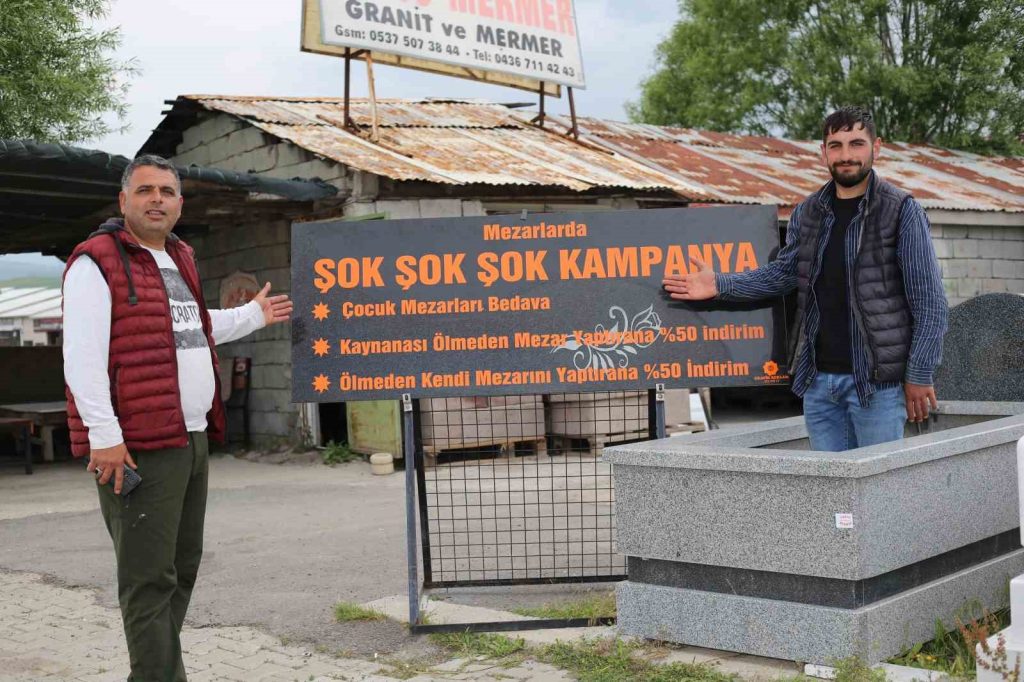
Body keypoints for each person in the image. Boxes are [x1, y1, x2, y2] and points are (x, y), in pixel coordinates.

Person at [62, 154, 293, 681]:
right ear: (124, 200)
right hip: (138, 446)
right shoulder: (96, 262)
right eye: (145, 190)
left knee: (181, 568)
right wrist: (104, 436)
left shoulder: (177, 257)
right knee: (148, 579)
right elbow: (81, 357)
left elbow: (191, 328)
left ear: (180, 204)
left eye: (166, 191)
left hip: (190, 437)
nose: (157, 200)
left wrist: (251, 316)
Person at [663, 106, 948, 451]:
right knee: (829, 485)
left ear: (877, 147)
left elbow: (930, 303)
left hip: (878, 387)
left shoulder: (901, 210)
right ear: (823, 152)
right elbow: (784, 273)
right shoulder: (809, 211)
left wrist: (919, 374)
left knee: (879, 484)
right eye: (836, 146)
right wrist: (720, 284)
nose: (846, 155)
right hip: (820, 384)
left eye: (856, 144)